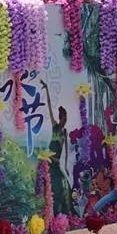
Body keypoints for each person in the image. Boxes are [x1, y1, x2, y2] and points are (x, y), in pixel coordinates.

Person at [40, 80, 72, 214]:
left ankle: (64, 211)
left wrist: (65, 166)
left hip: (57, 163)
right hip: (50, 161)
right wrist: (47, 88)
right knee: (53, 185)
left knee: (65, 185)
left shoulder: (65, 132)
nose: (65, 120)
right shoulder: (55, 127)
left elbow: (66, 151)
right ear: (60, 118)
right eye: (64, 118)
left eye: (66, 118)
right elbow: (48, 105)